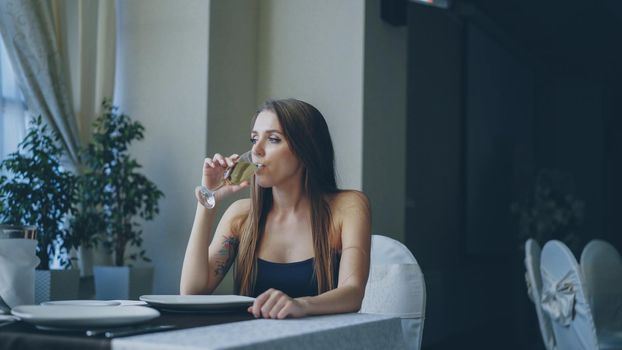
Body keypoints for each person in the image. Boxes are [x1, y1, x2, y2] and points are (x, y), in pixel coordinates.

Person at [180, 98, 371, 319]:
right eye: (253, 139)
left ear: (305, 149)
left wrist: (301, 305)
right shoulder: (241, 216)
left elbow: (353, 293)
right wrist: (207, 199)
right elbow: (191, 292)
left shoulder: (348, 207)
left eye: (273, 139)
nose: (256, 150)